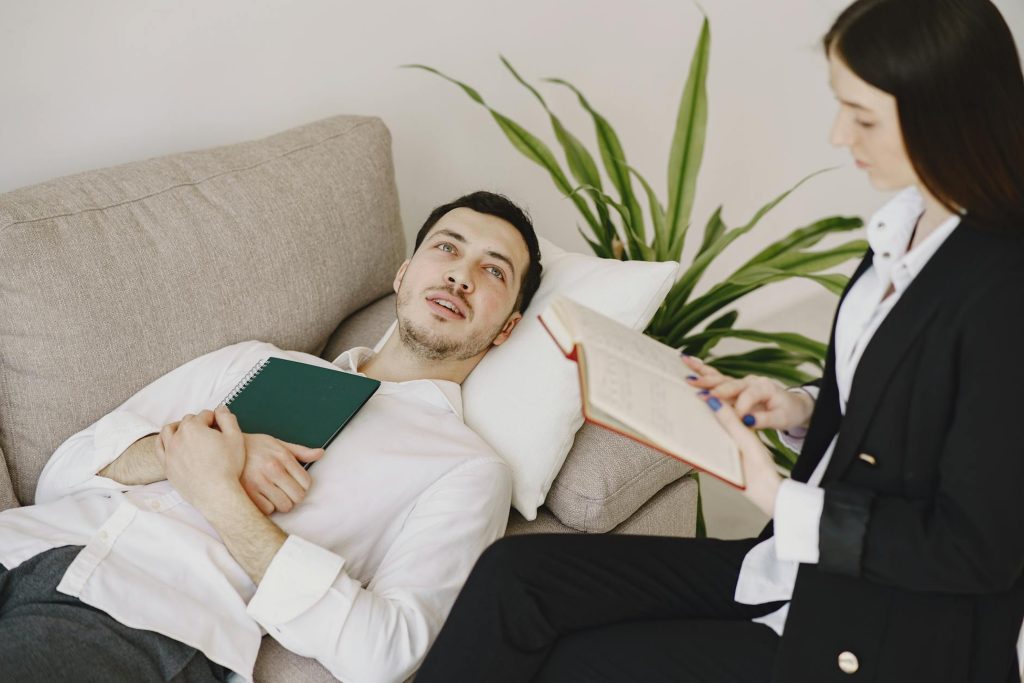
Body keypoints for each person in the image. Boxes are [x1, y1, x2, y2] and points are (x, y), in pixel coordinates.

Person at [414, 1, 1024, 681]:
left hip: (886, 630)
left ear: (944, 113)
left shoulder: (1003, 289)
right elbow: (898, 392)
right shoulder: (905, 226)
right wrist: (795, 405)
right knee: (514, 578)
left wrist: (776, 496)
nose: (836, 134)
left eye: (863, 117)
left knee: (576, 663)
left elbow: (978, 549)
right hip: (794, 572)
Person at [0, 190, 543, 683]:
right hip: (22, 540)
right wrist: (194, 450)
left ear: (507, 328)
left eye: (493, 271)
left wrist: (221, 494)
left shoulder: (467, 468)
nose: (461, 276)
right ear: (403, 275)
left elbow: (386, 651)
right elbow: (59, 476)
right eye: (447, 248)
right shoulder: (255, 360)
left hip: (126, 614)